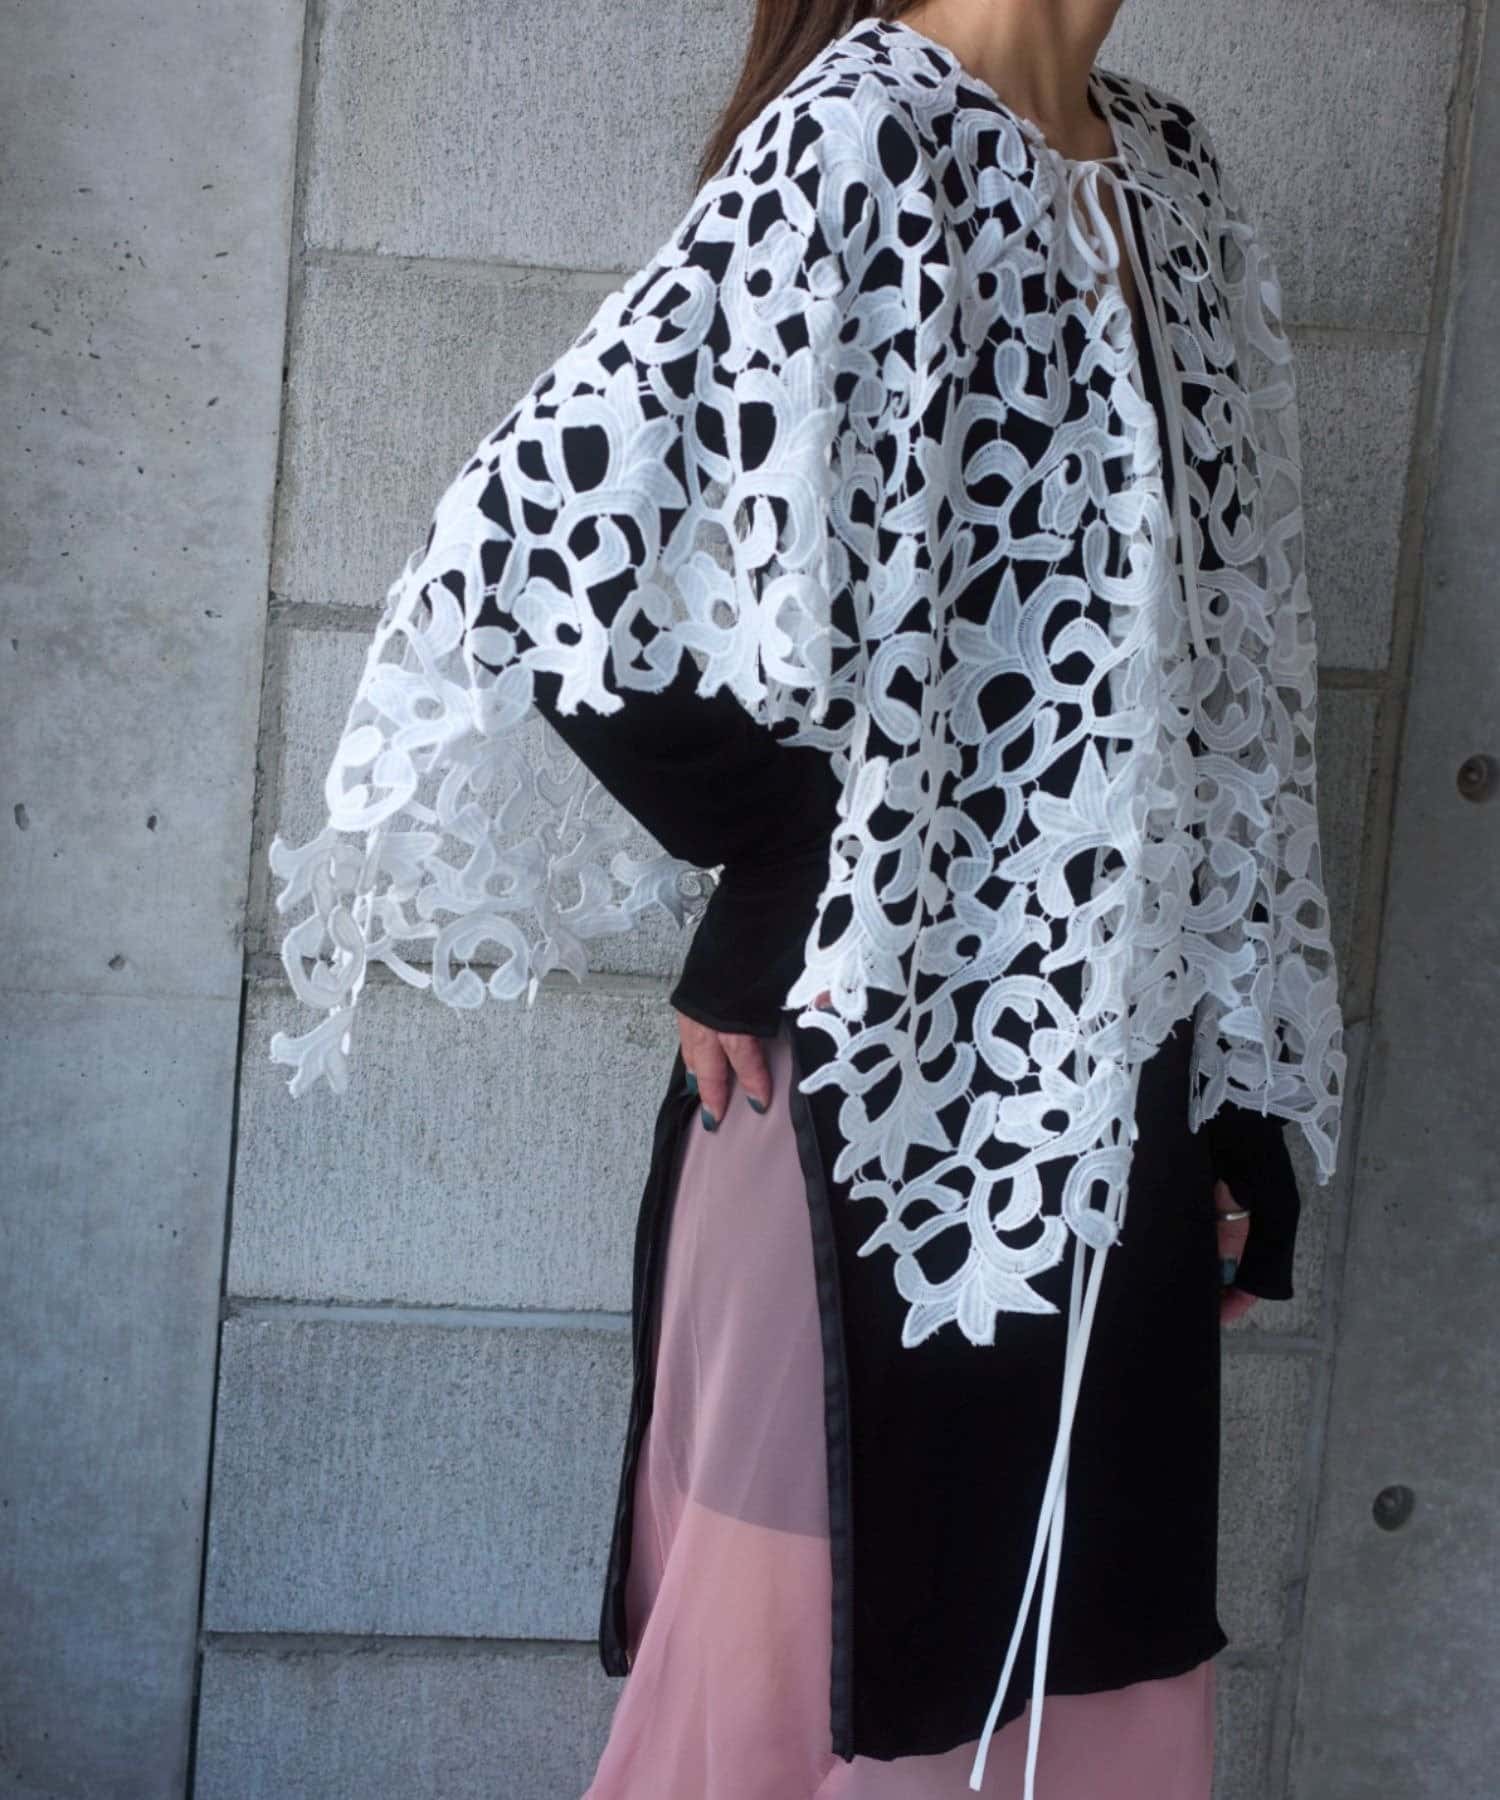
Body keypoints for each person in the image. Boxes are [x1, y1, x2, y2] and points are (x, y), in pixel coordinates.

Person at [269, 3, 1348, 1795]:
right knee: (823, 1664)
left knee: (1097, 1653)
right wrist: (783, 869)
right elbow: (531, 548)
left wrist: (1237, 1096)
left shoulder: (1169, 169)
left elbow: (1207, 687)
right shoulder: (860, 136)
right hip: (875, 1097)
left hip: (1116, 1093)